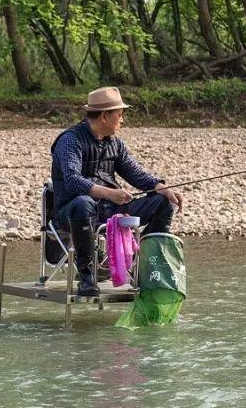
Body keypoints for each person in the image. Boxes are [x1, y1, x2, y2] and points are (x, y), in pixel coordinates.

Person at [50, 86, 184, 297]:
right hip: (73, 213)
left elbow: (137, 174)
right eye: (119, 115)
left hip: (112, 210)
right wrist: (110, 193)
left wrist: (161, 187)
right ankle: (86, 276)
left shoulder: (116, 144)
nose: (122, 120)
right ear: (104, 116)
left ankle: (144, 266)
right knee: (84, 202)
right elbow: (72, 180)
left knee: (163, 203)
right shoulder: (70, 140)